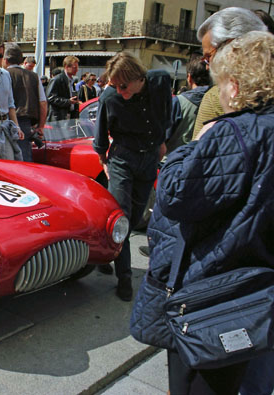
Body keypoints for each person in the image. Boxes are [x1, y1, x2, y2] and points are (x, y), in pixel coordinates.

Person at [142, 31, 274, 395]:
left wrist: (190, 148)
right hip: (259, 289)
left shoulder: (235, 131)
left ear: (235, 84)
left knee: (198, 381)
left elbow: (174, 195)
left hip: (215, 294)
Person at [93, 52, 171, 301]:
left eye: (123, 86)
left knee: (136, 217)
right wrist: (104, 162)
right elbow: (100, 138)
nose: (119, 91)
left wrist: (161, 141)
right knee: (122, 219)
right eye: (115, 86)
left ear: (139, 78)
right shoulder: (109, 96)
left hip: (148, 158)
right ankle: (124, 278)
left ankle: (106, 254)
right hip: (122, 159)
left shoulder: (159, 82)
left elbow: (166, 115)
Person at [191, 7, 267, 140]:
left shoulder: (217, 97)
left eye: (209, 57)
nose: (208, 67)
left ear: (230, 46)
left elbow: (197, 158)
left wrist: (199, 141)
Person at [3, 43, 47, 162]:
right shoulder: (33, 76)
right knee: (24, 160)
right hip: (25, 123)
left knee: (4, 162)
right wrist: (40, 126)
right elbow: (43, 103)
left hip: (5, 122)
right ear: (21, 60)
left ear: (5, 60)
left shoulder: (3, 75)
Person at [46, 56, 80, 121]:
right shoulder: (57, 79)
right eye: (74, 68)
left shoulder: (72, 80)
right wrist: (68, 101)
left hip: (70, 116)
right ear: (67, 67)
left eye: (77, 67)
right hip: (58, 117)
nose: (77, 70)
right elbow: (50, 98)